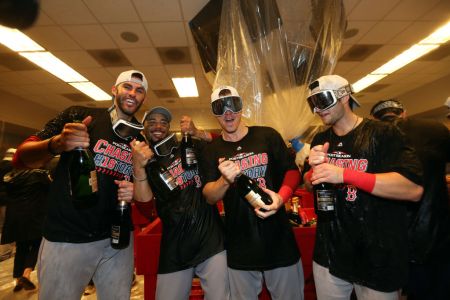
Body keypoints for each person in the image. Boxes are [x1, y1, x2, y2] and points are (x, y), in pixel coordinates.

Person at [12, 70, 148, 299]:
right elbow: (20, 159)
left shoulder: (139, 140)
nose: (133, 93)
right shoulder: (79, 116)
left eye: (140, 90)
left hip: (117, 240)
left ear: (144, 98)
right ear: (114, 90)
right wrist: (56, 143)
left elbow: (141, 194)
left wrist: (135, 188)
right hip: (67, 238)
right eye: (127, 87)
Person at [303, 75, 423, 300]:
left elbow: (413, 189)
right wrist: (313, 173)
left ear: (345, 96)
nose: (318, 109)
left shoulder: (384, 134)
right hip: (330, 253)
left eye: (323, 100)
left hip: (377, 255)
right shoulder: (320, 138)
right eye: (313, 103)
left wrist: (345, 174)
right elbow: (309, 185)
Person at [200, 86, 304, 300]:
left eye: (233, 105)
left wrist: (280, 198)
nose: (228, 113)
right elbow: (209, 196)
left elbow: (292, 171)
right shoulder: (211, 150)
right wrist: (225, 179)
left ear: (241, 107)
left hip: (279, 240)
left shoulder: (267, 135)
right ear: (214, 113)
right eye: (220, 107)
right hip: (240, 245)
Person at [131, 107, 229, 300]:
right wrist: (138, 166)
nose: (158, 126)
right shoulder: (143, 160)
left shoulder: (190, 145)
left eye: (163, 122)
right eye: (151, 122)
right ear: (144, 129)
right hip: (174, 245)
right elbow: (146, 208)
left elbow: (225, 144)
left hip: (210, 239)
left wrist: (197, 132)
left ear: (169, 127)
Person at [370, 99, 450, 300]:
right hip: (434, 228)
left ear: (373, 118)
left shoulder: (370, 138)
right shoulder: (434, 129)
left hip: (390, 235)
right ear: (404, 113)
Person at [1, 164, 51, 292]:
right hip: (34, 215)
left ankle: (17, 279)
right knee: (36, 244)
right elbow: (51, 190)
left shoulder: (12, 177)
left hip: (15, 217)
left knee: (21, 247)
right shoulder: (39, 174)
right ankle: (26, 274)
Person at [0, 148, 16, 262]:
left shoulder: (1, 164)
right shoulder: (12, 166)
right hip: (7, 199)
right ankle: (5, 250)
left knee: (2, 223)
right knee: (7, 223)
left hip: (1, 199)